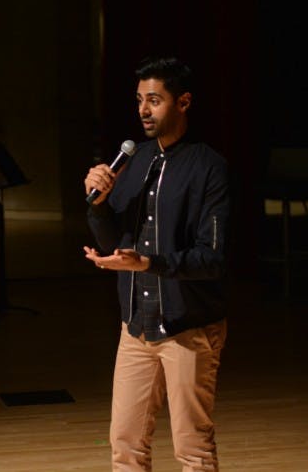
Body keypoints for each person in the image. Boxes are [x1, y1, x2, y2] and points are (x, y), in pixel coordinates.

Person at [83, 56, 229, 471]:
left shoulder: (208, 167)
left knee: (193, 448)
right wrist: (98, 205)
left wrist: (148, 263)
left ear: (183, 102)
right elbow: (114, 242)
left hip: (188, 326)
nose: (143, 111)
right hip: (136, 327)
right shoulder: (133, 161)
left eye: (154, 100)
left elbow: (212, 258)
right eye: (139, 100)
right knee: (125, 445)